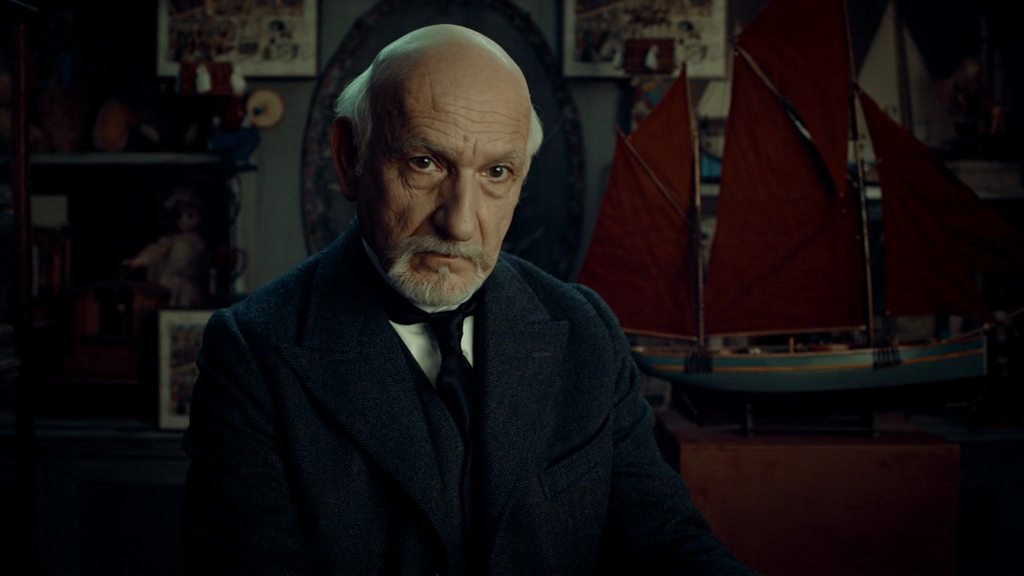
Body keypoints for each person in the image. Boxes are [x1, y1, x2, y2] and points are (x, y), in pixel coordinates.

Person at [183, 24, 752, 575]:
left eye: (497, 172)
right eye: (425, 163)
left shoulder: (585, 331)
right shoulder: (251, 353)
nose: (459, 223)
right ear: (349, 157)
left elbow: (669, 544)